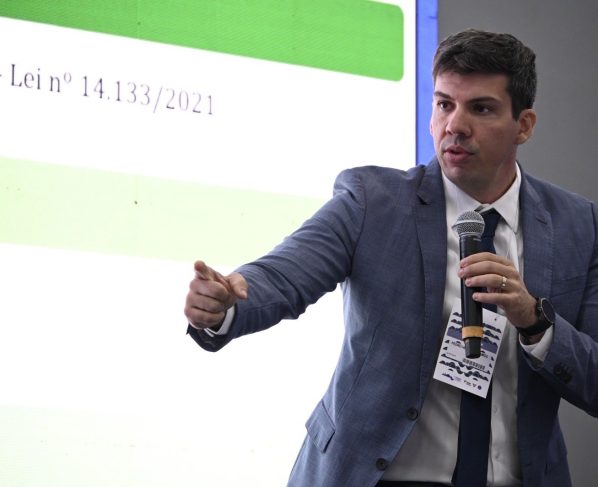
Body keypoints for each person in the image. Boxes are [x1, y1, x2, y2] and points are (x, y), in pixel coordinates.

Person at [184, 29, 598, 487]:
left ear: (524, 125)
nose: (455, 125)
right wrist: (227, 304)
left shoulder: (578, 225)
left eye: (480, 108)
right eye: (444, 104)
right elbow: (284, 273)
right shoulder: (373, 201)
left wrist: (536, 322)